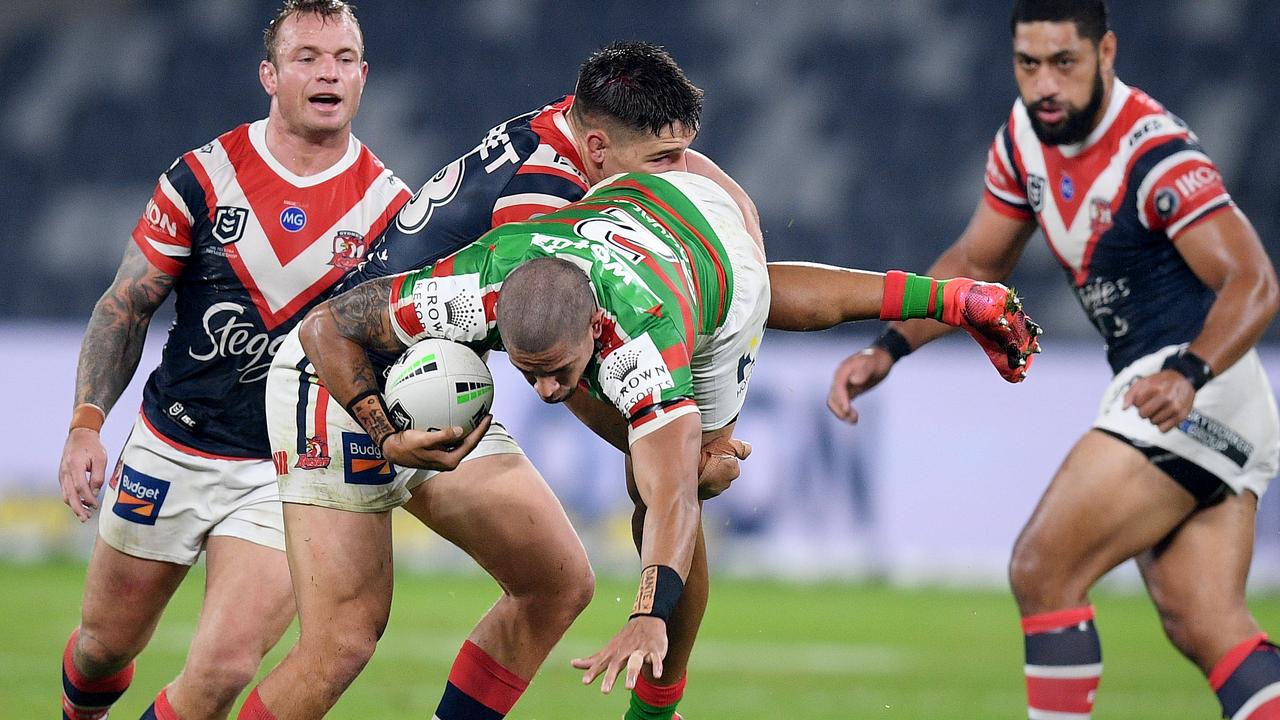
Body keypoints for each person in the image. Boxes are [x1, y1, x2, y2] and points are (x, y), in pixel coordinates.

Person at [253, 166, 1036, 720]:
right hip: (642, 197)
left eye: (558, 374)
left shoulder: (646, 343)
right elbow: (326, 323)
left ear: (595, 331)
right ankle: (961, 295)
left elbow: (667, 495)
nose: (548, 394)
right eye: (530, 375)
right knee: (663, 460)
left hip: (709, 270)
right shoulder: (471, 286)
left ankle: (657, 705)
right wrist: (383, 432)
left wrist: (649, 611)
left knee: (695, 475)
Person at [827, 2, 1280, 718]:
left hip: (1196, 387)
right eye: (1028, 64)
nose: (1045, 85)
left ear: (1106, 54)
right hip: (1184, 395)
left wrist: (1190, 372)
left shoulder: (1154, 153)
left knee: (1043, 567)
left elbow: (1254, 282)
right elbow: (978, 262)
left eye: (1063, 64)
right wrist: (889, 346)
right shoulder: (1023, 140)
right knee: (1207, 626)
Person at [54, 3, 410, 719]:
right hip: (173, 445)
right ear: (270, 75)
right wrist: (86, 424)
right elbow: (126, 306)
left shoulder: (389, 210)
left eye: (343, 58)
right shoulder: (203, 178)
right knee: (103, 645)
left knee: (223, 669)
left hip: (284, 471)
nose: (328, 72)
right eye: (307, 57)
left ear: (364, 76)